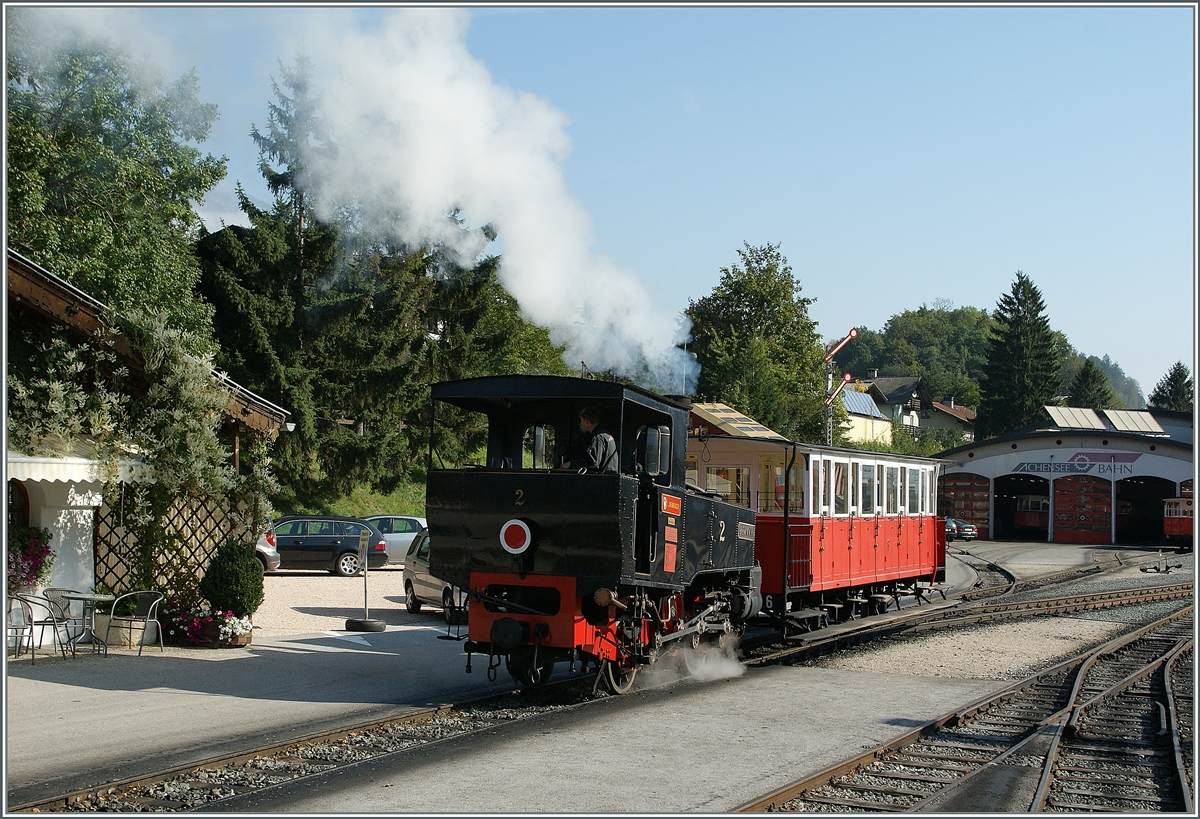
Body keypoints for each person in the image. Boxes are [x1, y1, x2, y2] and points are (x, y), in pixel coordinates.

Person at [563, 407, 617, 472]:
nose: (581, 424)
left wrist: (571, 463)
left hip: (603, 478)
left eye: (581, 421)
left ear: (587, 422)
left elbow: (593, 462)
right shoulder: (606, 435)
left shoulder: (597, 437)